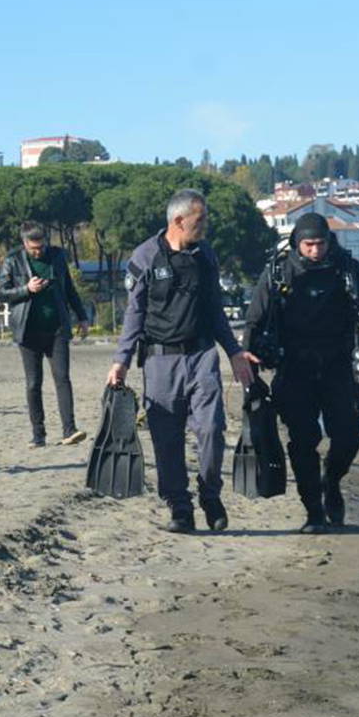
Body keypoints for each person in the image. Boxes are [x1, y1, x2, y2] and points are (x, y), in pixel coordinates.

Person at [107, 188, 257, 533]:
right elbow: (135, 314)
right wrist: (122, 360)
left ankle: (210, 494)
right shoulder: (145, 257)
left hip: (202, 355)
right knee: (166, 438)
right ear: (179, 220)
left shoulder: (206, 255)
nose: (205, 227)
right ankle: (179, 507)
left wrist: (233, 352)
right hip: (160, 360)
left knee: (212, 428)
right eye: (199, 220)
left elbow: (214, 310)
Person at [243, 213, 359, 533]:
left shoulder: (346, 269)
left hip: (338, 367)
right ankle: (313, 510)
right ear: (297, 243)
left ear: (329, 241)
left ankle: (332, 481)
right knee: (302, 442)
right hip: (293, 367)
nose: (315, 251)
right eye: (309, 245)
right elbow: (255, 319)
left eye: (321, 244)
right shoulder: (278, 271)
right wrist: (250, 364)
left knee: (350, 437)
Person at [0, 221, 90, 447]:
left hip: (57, 328)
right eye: (33, 248)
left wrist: (82, 316)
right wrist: (26, 289)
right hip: (28, 331)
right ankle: (38, 435)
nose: (38, 252)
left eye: (41, 247)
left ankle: (70, 430)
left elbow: (69, 288)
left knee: (62, 378)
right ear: (24, 243)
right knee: (33, 383)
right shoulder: (12, 260)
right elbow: (1, 293)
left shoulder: (57, 257)